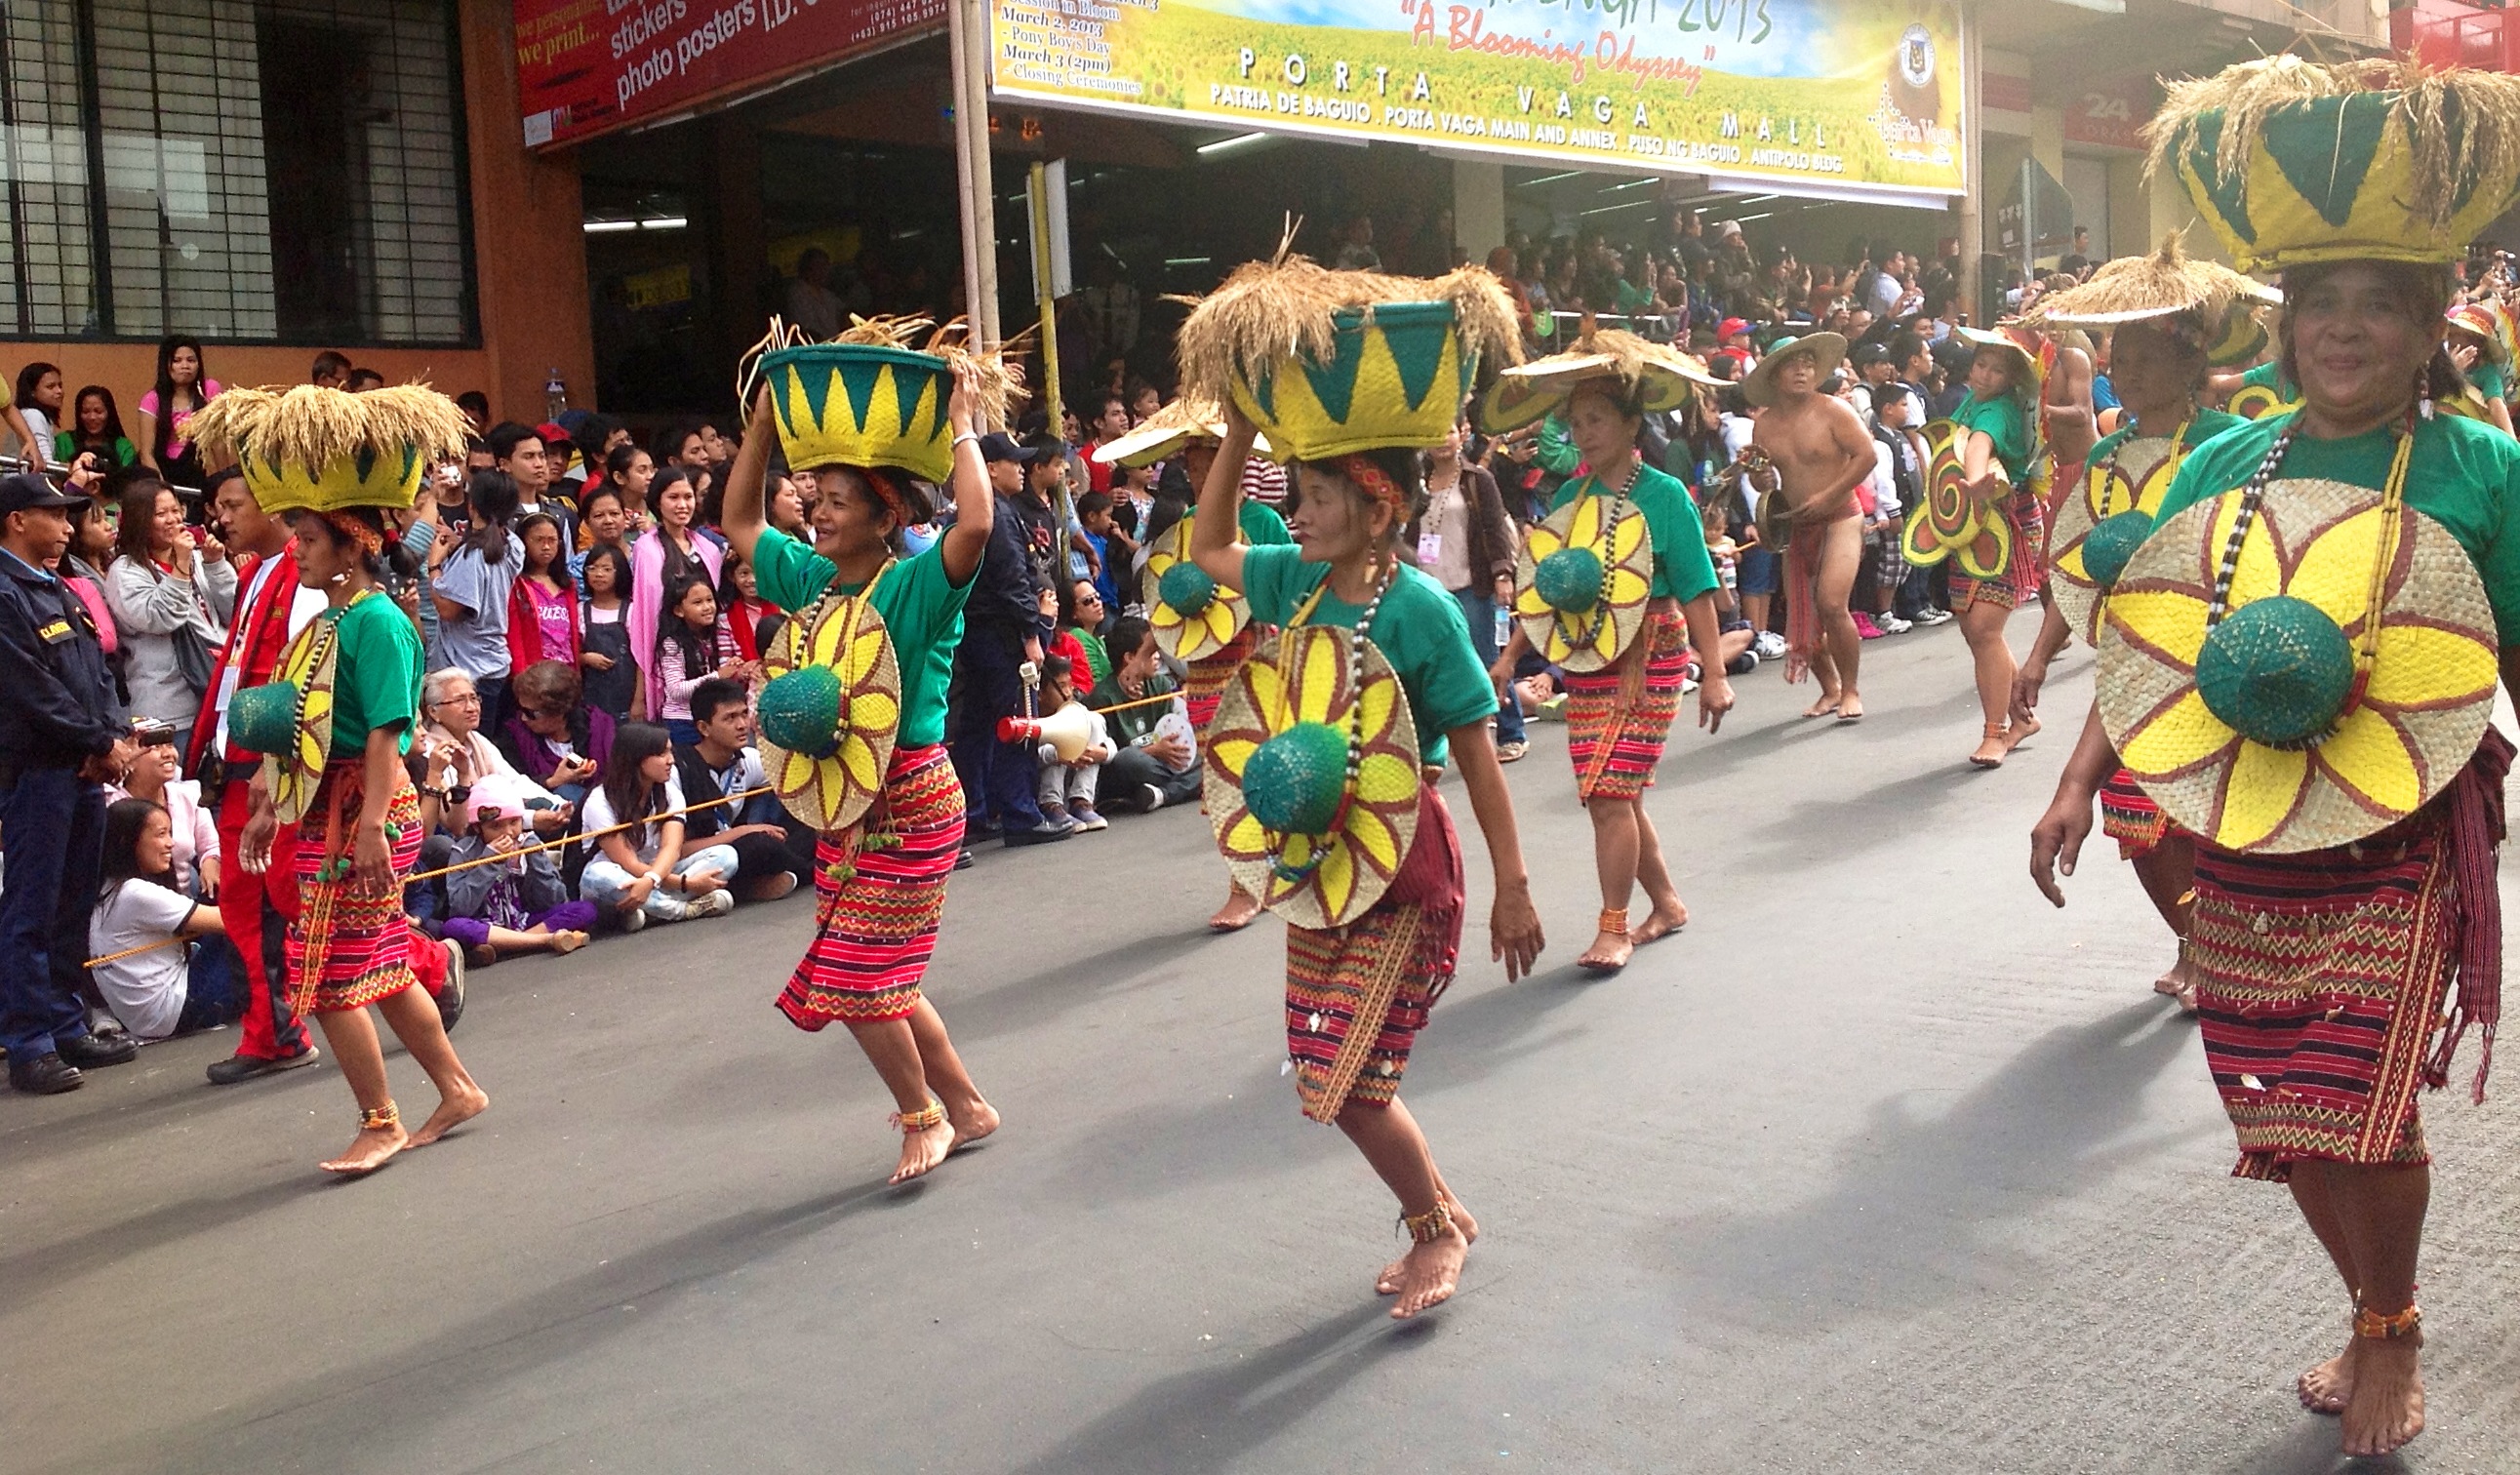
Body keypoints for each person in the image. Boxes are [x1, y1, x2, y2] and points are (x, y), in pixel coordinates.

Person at [2031, 58, 2520, 1460]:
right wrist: (2076, 781)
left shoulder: (2480, 472)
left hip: (2407, 826)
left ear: (2427, 323)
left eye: (2378, 305)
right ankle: (2365, 1299)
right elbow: (2149, 648)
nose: (2344, 331)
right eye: (2321, 306)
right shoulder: (2221, 465)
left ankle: (2389, 1324)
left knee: (2360, 1098)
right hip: (2239, 824)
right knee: (2278, 1095)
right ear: (2284, 324)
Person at [1184, 384, 1544, 1319]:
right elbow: (1208, 547)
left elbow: (1477, 759)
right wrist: (1237, 432)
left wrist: (1514, 888)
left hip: (1405, 868)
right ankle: (1442, 1211)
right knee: (1325, 1067)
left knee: (1350, 1080)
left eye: (1315, 498)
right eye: (1295, 495)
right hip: (1315, 865)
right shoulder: (1290, 579)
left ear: (1378, 508)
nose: (1295, 514)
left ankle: (1433, 1230)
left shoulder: (1422, 611)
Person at [720, 354, 1001, 1185]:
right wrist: (765, 425)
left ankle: (923, 1118)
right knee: (885, 973)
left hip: (912, 797)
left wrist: (959, 422)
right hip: (838, 803)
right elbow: (739, 519)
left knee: (856, 974)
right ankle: (970, 1104)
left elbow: (977, 526)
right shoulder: (807, 579)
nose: (815, 516)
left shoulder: (918, 583)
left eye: (834, 503)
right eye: (814, 502)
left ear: (884, 516)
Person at [2015, 236, 2262, 1010]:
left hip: (2220, 656)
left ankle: (2228, 946)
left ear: (2190, 360)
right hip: (2132, 666)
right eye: (2118, 352)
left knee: (2207, 820)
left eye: (2146, 352)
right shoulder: (2105, 457)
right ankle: (2194, 942)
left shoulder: (2237, 446)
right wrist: (2038, 654)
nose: (2125, 365)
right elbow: (2079, 564)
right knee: (2134, 816)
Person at [235, 498, 487, 1175]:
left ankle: (380, 1122)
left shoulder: (375, 623)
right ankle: (458, 1089)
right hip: (331, 809)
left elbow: (384, 732)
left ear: (351, 548)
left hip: (369, 813)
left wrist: (372, 825)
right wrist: (267, 800)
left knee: (326, 976)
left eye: (311, 539)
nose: (298, 550)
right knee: (383, 961)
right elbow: (298, 725)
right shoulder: (328, 622)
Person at [1489, 336, 1737, 974]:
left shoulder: (1664, 495)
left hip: (1652, 650)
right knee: (1615, 794)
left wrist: (1713, 674)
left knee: (1607, 792)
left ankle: (1614, 927)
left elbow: (1697, 587)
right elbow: (1543, 592)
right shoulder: (1567, 501)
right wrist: (1510, 656)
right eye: (1575, 423)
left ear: (1631, 423)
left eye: (1596, 420)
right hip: (1584, 657)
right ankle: (1667, 905)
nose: (1584, 432)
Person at [186, 464, 329, 1083]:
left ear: (273, 508)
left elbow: (301, 681)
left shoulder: (305, 574)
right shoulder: (253, 573)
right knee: (249, 902)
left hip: (279, 764)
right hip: (241, 758)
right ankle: (273, 1033)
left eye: (233, 504)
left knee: (292, 898)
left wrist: (273, 770)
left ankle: (425, 967)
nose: (223, 516)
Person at [0, 471, 139, 1093]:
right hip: (37, 772)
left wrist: (111, 736)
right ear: (16, 521)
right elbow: (28, 689)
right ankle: (29, 1041)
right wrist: (96, 741)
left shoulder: (61, 588)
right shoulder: (6, 592)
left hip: (81, 769)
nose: (66, 526)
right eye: (53, 515)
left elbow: (100, 672)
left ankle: (64, 1021)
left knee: (70, 904)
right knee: (30, 908)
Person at [1742, 334, 1873, 719]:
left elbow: (1866, 456)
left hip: (1842, 515)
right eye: (1792, 363)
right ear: (1775, 374)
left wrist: (1830, 495)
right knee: (1803, 617)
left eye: (1808, 363)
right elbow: (1761, 483)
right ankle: (1830, 688)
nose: (1802, 369)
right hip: (1796, 524)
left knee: (1832, 603)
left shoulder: (1834, 410)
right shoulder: (1763, 426)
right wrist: (1760, 476)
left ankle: (1850, 690)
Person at [950, 432, 1064, 846]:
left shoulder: (982, 509)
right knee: (1018, 719)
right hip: (1000, 632)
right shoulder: (995, 511)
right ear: (990, 468)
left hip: (975, 631)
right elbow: (1013, 580)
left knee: (978, 724)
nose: (1021, 467)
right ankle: (1021, 814)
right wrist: (1032, 630)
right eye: (1013, 461)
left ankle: (974, 812)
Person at [1942, 329, 2045, 768]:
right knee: (1975, 630)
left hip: (2005, 523)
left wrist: (1974, 480)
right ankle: (2020, 719)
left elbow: (1979, 444)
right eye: (1981, 363)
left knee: (1984, 629)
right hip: (1971, 521)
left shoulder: (1999, 411)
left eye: (1997, 368)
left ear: (2011, 377)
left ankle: (1996, 733)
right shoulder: (1972, 400)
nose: (1985, 373)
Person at [1404, 418, 1528, 761]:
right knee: (1437, 665)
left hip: (1472, 585)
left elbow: (1495, 528)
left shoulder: (1478, 479)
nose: (1441, 439)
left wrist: (1503, 575)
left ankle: (1511, 732)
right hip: (1430, 588)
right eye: (1433, 431)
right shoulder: (1417, 484)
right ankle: (1445, 742)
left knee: (1488, 658)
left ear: (1464, 433)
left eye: (1448, 429)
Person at [104, 470, 236, 757]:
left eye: (176, 510)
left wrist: (216, 566)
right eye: (161, 513)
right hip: (168, 709)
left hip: (216, 698)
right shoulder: (125, 571)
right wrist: (181, 568)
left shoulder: (198, 558)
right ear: (140, 520)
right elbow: (161, 617)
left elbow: (232, 614)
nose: (173, 519)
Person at [89, 796, 235, 1040]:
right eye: (161, 834)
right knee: (249, 923)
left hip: (150, 1020)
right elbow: (229, 922)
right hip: (177, 1010)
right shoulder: (134, 893)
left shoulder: (106, 889)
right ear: (128, 841)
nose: (171, 843)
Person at [576, 721, 738, 928]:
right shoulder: (599, 800)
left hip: (659, 874)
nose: (671, 761)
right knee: (597, 875)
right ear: (636, 759)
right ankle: (685, 910)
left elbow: (671, 848)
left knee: (726, 855)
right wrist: (685, 884)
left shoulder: (670, 793)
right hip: (621, 880)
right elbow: (629, 863)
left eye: (671, 752)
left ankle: (651, 910)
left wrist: (651, 880)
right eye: (662, 755)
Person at [670, 675, 804, 901]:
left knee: (807, 825)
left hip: (735, 847)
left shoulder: (747, 759)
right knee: (759, 845)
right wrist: (745, 831)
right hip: (694, 860)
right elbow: (677, 851)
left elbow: (794, 783)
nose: (742, 725)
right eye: (730, 718)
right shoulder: (677, 770)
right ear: (704, 728)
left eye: (744, 714)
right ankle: (799, 874)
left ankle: (758, 883)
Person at [440, 776, 595, 966]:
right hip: (485, 925)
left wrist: (535, 857)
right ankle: (544, 940)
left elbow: (554, 900)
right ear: (478, 828)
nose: (508, 832)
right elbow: (460, 907)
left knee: (585, 909)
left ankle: (506, 946)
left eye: (514, 822)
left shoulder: (528, 843)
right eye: (495, 826)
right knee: (453, 927)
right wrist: (489, 862)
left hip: (524, 921)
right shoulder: (462, 852)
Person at [433, 470, 525, 732]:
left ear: (471, 506)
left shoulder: (473, 556)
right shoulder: (513, 544)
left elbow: (448, 609)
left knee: (467, 747)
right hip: (494, 664)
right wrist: (458, 542)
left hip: (469, 671)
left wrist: (435, 564)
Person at [628, 465, 723, 718]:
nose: (682, 505)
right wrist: (640, 696)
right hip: (669, 653)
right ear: (657, 502)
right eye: (673, 497)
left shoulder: (709, 548)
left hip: (709, 651)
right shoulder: (646, 549)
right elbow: (646, 620)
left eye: (688, 497)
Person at [1089, 614, 1200, 812]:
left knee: (1205, 754)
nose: (1157, 656)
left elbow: (1171, 732)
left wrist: (1172, 750)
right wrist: (1154, 750)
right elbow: (1111, 758)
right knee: (1128, 760)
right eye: (1149, 652)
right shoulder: (1102, 697)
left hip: (1161, 765)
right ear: (1129, 657)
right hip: (1130, 769)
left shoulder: (1160, 684)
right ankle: (1187, 785)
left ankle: (1160, 794)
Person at [651, 572, 748, 745]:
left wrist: (736, 670)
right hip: (682, 721)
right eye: (697, 603)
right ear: (678, 610)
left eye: (709, 600)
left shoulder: (717, 633)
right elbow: (676, 691)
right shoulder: (672, 643)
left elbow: (725, 671)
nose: (707, 607)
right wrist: (718, 676)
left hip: (711, 720)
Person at [496, 658, 608, 803]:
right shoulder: (513, 736)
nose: (523, 717)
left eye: (530, 713)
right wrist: (553, 781)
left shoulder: (597, 727)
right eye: (520, 709)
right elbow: (510, 787)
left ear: (559, 712)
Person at [1027, 654, 1110, 830]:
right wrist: (1061, 754)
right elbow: (1027, 756)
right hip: (1040, 786)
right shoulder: (1030, 715)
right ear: (1040, 694)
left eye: (1070, 685)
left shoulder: (1074, 709)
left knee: (1092, 720)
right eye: (1062, 686)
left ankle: (1082, 801)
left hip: (1073, 777)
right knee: (1059, 736)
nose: (1068, 692)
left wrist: (1102, 752)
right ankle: (1051, 805)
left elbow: (1111, 745)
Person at [137, 337, 220, 491]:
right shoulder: (152, 399)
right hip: (163, 474)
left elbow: (218, 442)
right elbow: (146, 454)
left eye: (191, 360)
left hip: (200, 473)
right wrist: (163, 490)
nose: (185, 366)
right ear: (166, 365)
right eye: (177, 360)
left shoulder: (210, 390)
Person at [505, 511, 580, 673]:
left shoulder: (568, 586)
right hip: (535, 675)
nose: (546, 547)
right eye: (539, 540)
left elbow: (573, 635)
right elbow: (514, 636)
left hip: (567, 673)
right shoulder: (518, 585)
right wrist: (521, 675)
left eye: (552, 540)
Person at [578, 543, 638, 719]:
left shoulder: (632, 611)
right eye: (593, 568)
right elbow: (569, 652)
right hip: (590, 699)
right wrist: (584, 658)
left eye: (606, 569)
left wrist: (639, 701)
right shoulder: (580, 610)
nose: (598, 574)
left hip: (626, 697)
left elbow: (642, 661)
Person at [58, 385, 137, 471]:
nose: (92, 417)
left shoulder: (123, 446)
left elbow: (127, 479)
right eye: (86, 412)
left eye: (98, 411)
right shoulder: (64, 441)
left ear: (109, 413)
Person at [13, 362, 61, 471]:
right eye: (51, 387)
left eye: (60, 385)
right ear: (32, 392)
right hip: (21, 484)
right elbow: (46, 463)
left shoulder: (37, 415)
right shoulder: (33, 415)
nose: (59, 391)